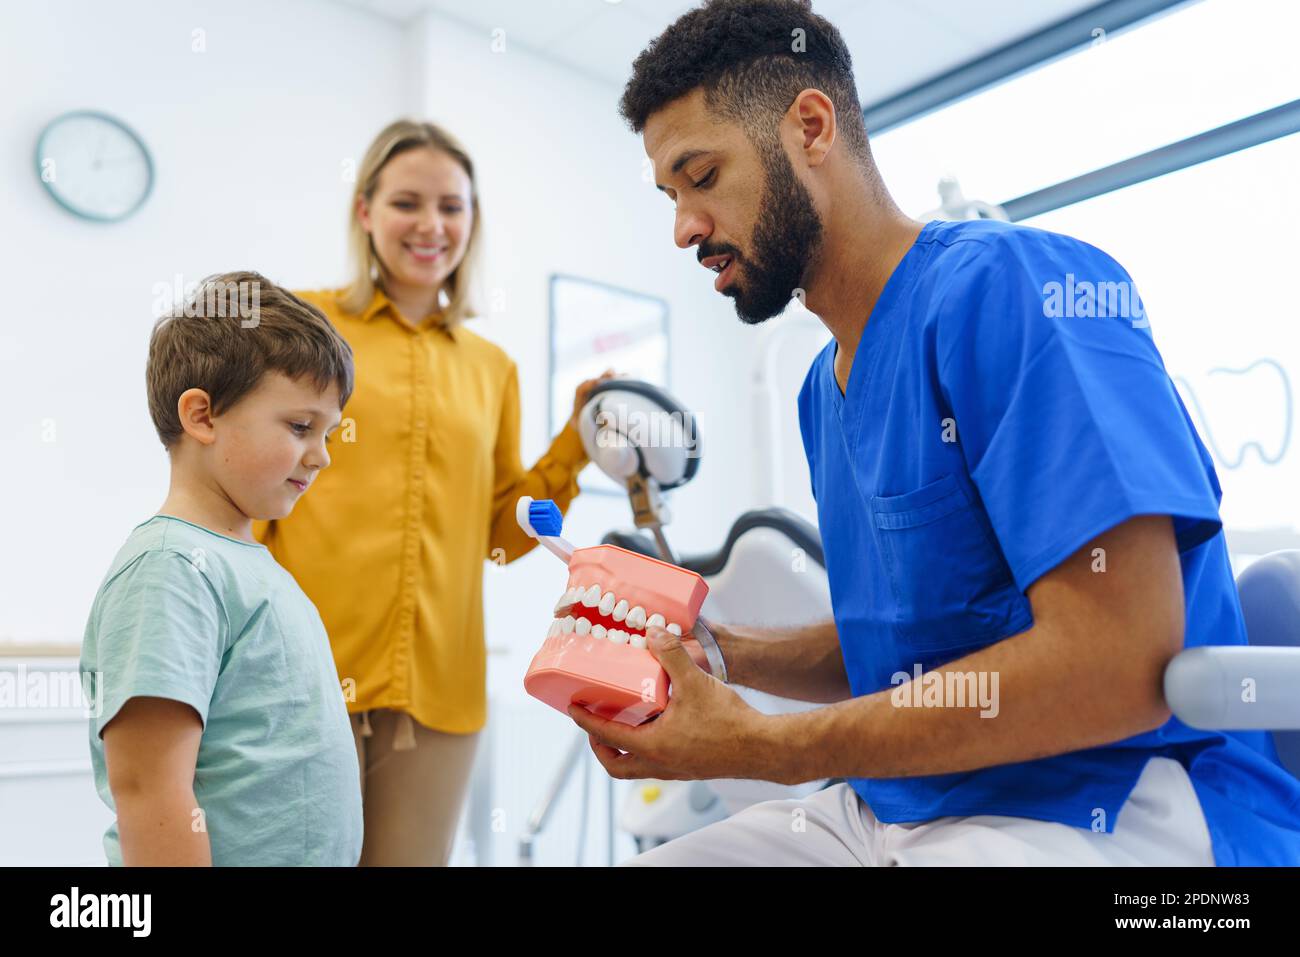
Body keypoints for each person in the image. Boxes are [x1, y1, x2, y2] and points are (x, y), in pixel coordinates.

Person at [565, 0, 1300, 866]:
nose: (685, 226)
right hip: (900, 801)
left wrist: (767, 747)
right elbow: (916, 643)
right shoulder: (821, 391)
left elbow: (1120, 663)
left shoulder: (1013, 294)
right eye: (671, 194)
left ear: (809, 126)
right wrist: (727, 655)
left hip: (1115, 795)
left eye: (702, 176)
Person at [253, 119, 610, 865]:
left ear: (471, 221)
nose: (431, 225)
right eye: (407, 202)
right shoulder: (302, 325)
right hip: (300, 676)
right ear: (366, 212)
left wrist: (576, 440)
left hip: (441, 692)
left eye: (452, 206)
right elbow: (249, 485)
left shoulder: (491, 367)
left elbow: (501, 535)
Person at [81, 272, 361, 866]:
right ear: (202, 416)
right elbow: (150, 790)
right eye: (300, 427)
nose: (322, 454)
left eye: (328, 432)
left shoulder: (250, 565)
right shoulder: (170, 570)